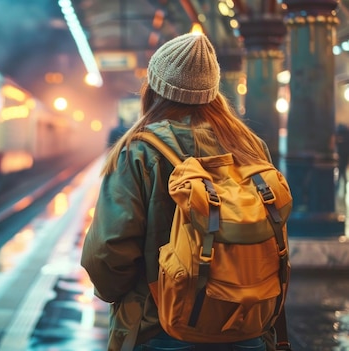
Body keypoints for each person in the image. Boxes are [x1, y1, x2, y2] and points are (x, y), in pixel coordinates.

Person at [80, 33, 277, 351]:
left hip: (161, 325)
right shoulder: (251, 147)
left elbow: (107, 249)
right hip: (245, 324)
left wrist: (120, 295)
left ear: (155, 87)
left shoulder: (138, 151)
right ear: (213, 91)